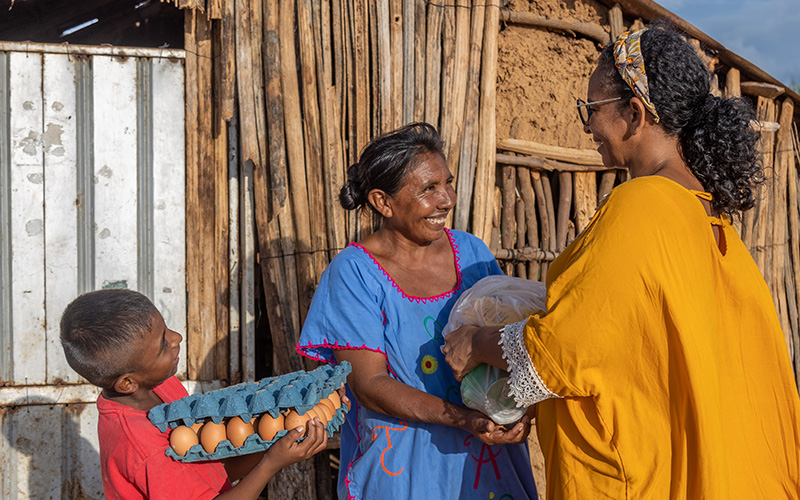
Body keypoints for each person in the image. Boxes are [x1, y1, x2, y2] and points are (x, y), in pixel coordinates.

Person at [443, 23, 800, 499]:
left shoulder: (642, 207)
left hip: (639, 479)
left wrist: (476, 342)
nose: (587, 126)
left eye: (591, 110)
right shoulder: (709, 219)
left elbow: (564, 350)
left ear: (634, 114)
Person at [296, 123, 538, 499]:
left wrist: (517, 414)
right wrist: (465, 419)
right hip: (404, 475)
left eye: (447, 183)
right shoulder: (354, 273)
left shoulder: (472, 254)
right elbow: (369, 386)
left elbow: (510, 346)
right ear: (382, 202)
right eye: (428, 189)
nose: (446, 200)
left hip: (491, 467)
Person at [60, 288, 337, 500]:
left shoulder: (159, 388)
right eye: (162, 345)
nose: (177, 337)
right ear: (127, 383)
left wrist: (276, 439)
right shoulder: (143, 448)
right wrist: (270, 465)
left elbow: (212, 471)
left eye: (166, 328)